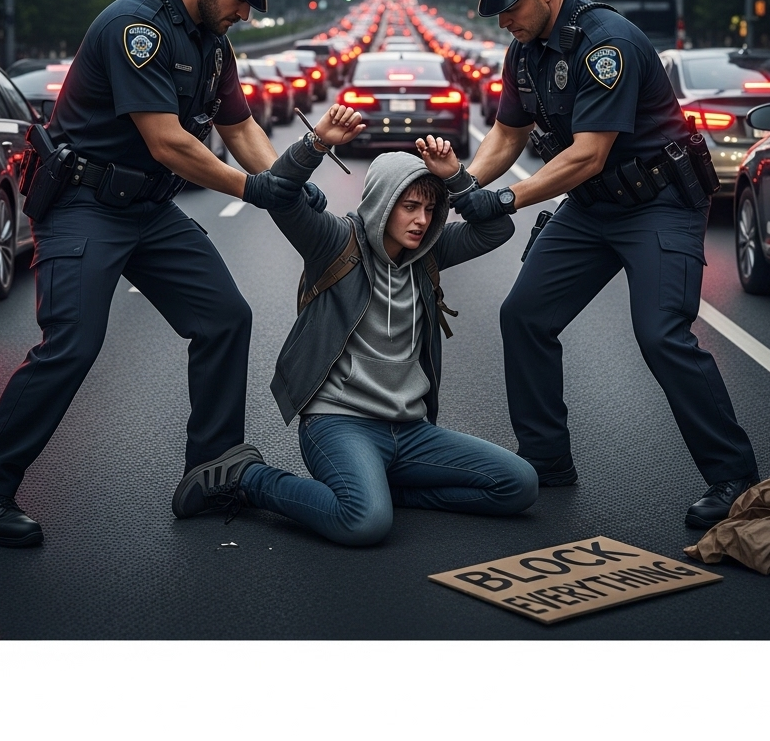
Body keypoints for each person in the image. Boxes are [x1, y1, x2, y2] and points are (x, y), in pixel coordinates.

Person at [0, 0, 320, 548]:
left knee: (225, 317)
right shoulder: (138, 26)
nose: (244, 13)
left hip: (147, 209)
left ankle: (211, 470)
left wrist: (282, 179)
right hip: (84, 205)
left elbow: (240, 128)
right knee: (72, 343)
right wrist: (249, 190)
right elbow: (167, 140)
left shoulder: (213, 43)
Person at [452, 0, 760, 530]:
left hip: (659, 206)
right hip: (593, 210)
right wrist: (458, 185)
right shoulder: (525, 52)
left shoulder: (604, 43)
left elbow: (588, 155)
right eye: (496, 11)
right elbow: (505, 136)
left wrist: (504, 198)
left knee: (661, 334)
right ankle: (545, 460)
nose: (504, 20)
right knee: (524, 316)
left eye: (511, 5)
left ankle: (734, 477)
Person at [170, 106, 539, 544]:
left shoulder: (429, 254)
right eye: (410, 207)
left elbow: (497, 230)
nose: (422, 220)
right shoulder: (334, 242)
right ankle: (247, 478)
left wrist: (457, 178)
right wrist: (316, 143)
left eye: (430, 208)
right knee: (364, 523)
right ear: (384, 204)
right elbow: (282, 196)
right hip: (339, 424)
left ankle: (383, 490)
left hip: (411, 430)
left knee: (518, 484)